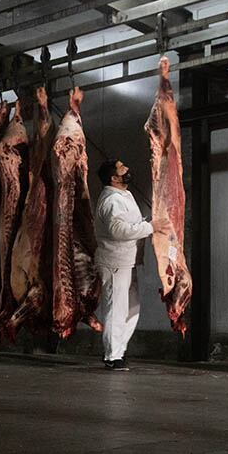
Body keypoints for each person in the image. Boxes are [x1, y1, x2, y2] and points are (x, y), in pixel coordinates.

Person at [94, 159, 169, 371]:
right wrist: (150, 227)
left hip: (129, 261)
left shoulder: (123, 195)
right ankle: (112, 356)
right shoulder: (111, 201)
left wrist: (148, 223)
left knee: (132, 309)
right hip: (115, 262)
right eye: (122, 168)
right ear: (114, 178)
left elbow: (129, 224)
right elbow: (118, 230)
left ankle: (119, 350)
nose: (127, 169)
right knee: (116, 309)